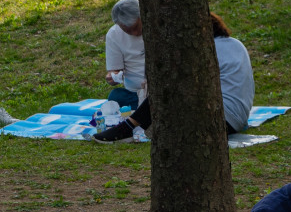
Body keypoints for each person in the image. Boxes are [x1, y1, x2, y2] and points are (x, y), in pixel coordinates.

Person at [93, 12, 254, 141]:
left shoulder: (206, 50)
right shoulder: (236, 44)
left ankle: (129, 126)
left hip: (219, 121)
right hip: (237, 120)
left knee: (167, 88)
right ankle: (133, 125)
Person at [104, 0, 146, 111]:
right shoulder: (114, 35)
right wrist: (112, 76)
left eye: (136, 27)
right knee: (116, 97)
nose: (135, 33)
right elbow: (115, 70)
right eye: (127, 30)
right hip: (135, 92)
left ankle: (144, 109)